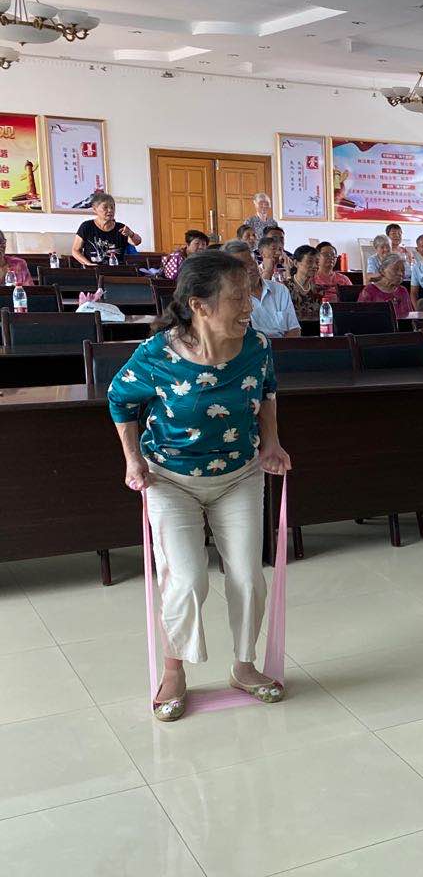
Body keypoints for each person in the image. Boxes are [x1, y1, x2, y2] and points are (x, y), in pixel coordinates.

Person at [106, 250, 292, 722]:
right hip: (170, 480)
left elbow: (267, 391)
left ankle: (244, 667)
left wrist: (271, 442)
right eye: (237, 298)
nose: (249, 306)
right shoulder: (158, 355)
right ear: (199, 305)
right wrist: (132, 459)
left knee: (248, 578)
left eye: (249, 294)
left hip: (239, 475)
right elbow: (119, 399)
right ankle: (174, 671)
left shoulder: (257, 345)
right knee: (186, 579)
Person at [222, 239, 299, 338]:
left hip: (283, 345)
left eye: (252, 263)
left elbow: (294, 329)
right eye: (243, 266)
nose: (250, 269)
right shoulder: (229, 298)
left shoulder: (280, 290)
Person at [72, 193, 141, 266]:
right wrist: (88, 264)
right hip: (93, 270)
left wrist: (131, 234)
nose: (110, 210)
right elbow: (75, 250)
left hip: (117, 270)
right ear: (95, 209)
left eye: (112, 207)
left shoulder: (121, 228)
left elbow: (137, 242)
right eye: (105, 207)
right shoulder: (86, 226)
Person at [286, 245, 334, 316]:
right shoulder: (284, 288)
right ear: (296, 263)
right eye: (310, 261)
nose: (315, 266)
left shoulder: (319, 291)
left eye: (317, 262)